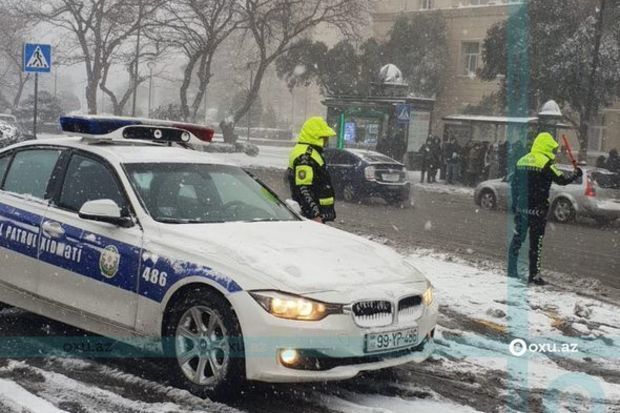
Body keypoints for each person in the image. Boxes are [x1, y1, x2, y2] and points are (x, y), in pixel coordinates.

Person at [508, 132, 582, 285]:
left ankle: (511, 271)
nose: (554, 151)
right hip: (538, 209)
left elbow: (514, 185)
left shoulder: (522, 160)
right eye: (552, 148)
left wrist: (515, 204)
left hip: (522, 207)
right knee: (536, 244)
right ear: (547, 147)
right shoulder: (546, 163)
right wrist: (576, 174)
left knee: (517, 240)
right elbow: (562, 180)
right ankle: (534, 275)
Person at [287, 116, 337, 223]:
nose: (327, 140)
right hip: (314, 218)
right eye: (325, 137)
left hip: (319, 215)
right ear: (317, 137)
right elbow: (303, 188)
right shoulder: (305, 156)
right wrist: (315, 214)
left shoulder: (310, 152)